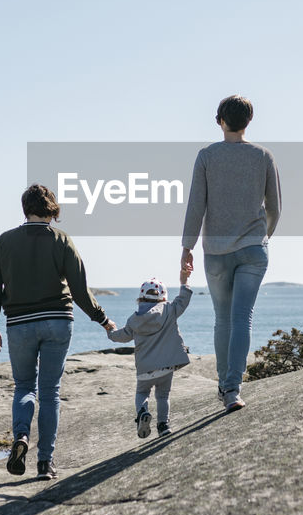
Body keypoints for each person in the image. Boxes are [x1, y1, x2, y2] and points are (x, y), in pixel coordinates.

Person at [0, 183, 116, 480]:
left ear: (25, 209)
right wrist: (103, 320)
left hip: (18, 324)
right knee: (50, 392)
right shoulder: (62, 240)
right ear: (52, 210)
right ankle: (46, 463)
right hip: (57, 320)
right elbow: (80, 289)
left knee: (24, 387)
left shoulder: (4, 241)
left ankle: (21, 438)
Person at [181, 95, 281, 412]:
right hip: (253, 250)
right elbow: (275, 209)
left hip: (216, 252)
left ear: (220, 121)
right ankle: (232, 389)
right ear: (248, 121)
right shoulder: (263, 156)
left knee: (222, 319)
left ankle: (226, 386)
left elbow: (196, 206)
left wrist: (187, 248)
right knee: (242, 320)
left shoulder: (207, 157)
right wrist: (263, 237)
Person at [105, 271, 193, 438]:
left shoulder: (134, 320)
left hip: (145, 369)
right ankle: (163, 425)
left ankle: (143, 412)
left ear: (140, 298)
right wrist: (184, 282)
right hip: (166, 367)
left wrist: (110, 331)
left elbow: (122, 336)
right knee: (163, 395)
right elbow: (183, 300)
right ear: (163, 297)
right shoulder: (169, 309)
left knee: (142, 393)